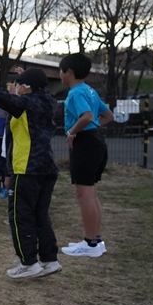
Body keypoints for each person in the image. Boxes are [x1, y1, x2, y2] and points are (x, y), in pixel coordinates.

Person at [0, 67, 62, 280]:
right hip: (47, 167)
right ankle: (49, 259)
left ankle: (28, 262)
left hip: (26, 167)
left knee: (20, 216)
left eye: (19, 84)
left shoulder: (26, 104)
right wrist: (27, 76)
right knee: (40, 214)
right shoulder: (49, 102)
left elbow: (1, 96)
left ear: (27, 87)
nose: (16, 88)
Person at [58, 54, 113, 258]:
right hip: (96, 141)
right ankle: (95, 240)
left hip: (85, 144)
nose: (60, 75)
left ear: (69, 72)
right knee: (90, 192)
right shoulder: (90, 90)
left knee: (84, 194)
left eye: (61, 71)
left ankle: (90, 243)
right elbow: (108, 116)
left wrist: (73, 132)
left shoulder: (76, 93)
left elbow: (87, 116)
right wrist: (93, 127)